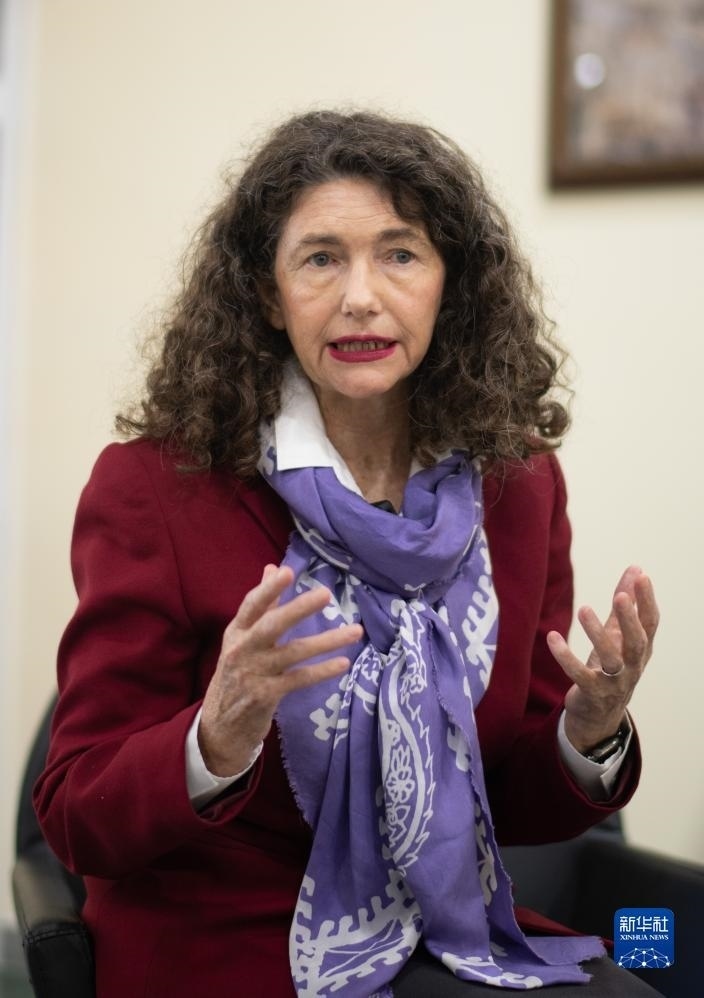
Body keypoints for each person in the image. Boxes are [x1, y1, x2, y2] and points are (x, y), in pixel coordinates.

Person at [34, 110, 661, 997]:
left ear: (450, 285)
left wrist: (586, 734)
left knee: (636, 987)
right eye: (321, 259)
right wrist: (216, 734)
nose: (361, 297)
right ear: (267, 294)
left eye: (400, 254)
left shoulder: (517, 486)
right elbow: (74, 814)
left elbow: (512, 797)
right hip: (235, 937)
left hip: (444, 923)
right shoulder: (157, 489)